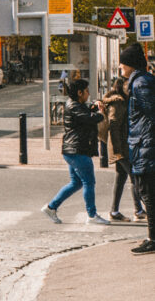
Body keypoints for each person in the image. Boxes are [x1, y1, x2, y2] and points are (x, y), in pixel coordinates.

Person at [41, 77, 109, 225]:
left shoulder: (75, 104)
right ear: (79, 93)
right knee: (89, 182)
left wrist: (94, 106)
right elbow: (88, 118)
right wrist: (101, 114)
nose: (88, 94)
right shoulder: (74, 107)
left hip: (72, 149)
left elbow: (86, 111)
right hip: (77, 149)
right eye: (86, 91)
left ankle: (51, 207)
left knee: (76, 182)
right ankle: (92, 215)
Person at [119, 42, 155, 254]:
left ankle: (153, 239)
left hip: (146, 144)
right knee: (147, 193)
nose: (121, 68)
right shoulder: (141, 81)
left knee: (148, 194)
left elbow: (151, 112)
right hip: (144, 143)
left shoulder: (140, 84)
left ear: (131, 64)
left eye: (123, 63)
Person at [101, 76, 145, 221]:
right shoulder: (118, 102)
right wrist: (117, 151)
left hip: (123, 146)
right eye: (128, 85)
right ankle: (138, 210)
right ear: (121, 86)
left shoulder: (123, 101)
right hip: (119, 148)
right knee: (135, 177)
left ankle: (114, 212)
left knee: (121, 178)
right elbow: (113, 126)